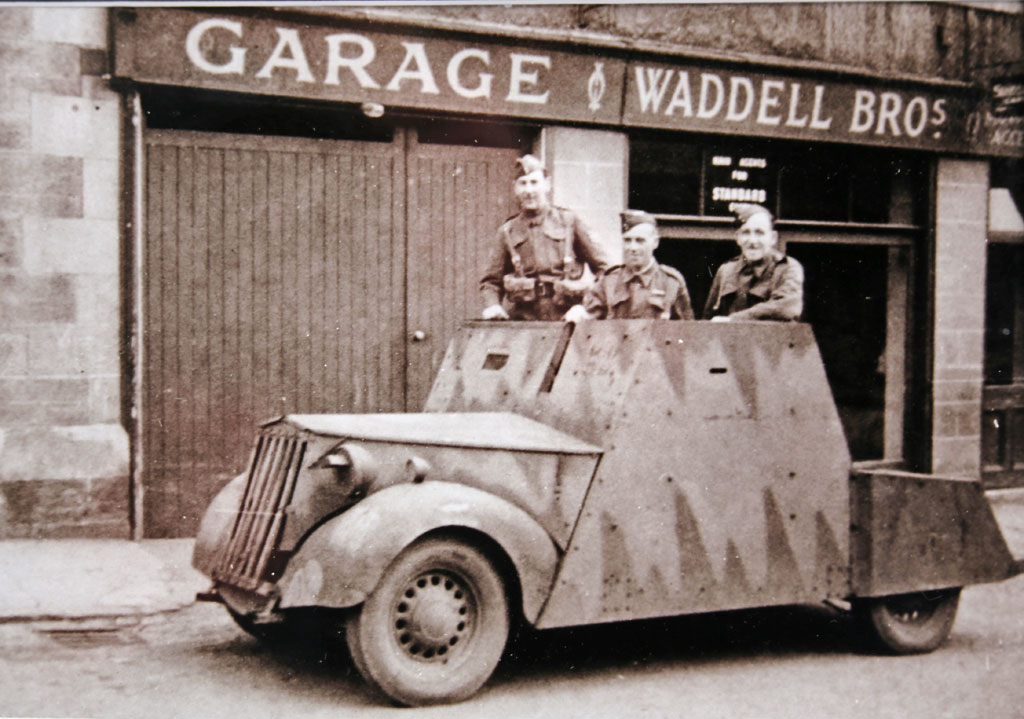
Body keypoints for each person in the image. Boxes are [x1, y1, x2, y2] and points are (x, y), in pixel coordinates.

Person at [480, 154, 613, 320]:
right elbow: (491, 282)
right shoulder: (507, 231)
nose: (529, 191)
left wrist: (587, 308)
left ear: (547, 185)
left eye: (534, 183)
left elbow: (607, 271)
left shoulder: (569, 222)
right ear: (515, 188)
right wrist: (493, 306)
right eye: (523, 184)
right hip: (524, 323)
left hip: (568, 320)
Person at [565, 210, 693, 322]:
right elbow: (589, 316)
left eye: (640, 241)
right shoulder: (609, 281)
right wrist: (580, 312)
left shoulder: (671, 282)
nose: (633, 248)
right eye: (627, 240)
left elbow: (686, 331)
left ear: (655, 243)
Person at [703, 203, 803, 322]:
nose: (752, 241)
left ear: (773, 238)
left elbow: (786, 309)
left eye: (759, 233)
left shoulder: (787, 268)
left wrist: (734, 320)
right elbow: (709, 317)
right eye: (746, 233)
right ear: (738, 238)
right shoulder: (726, 271)